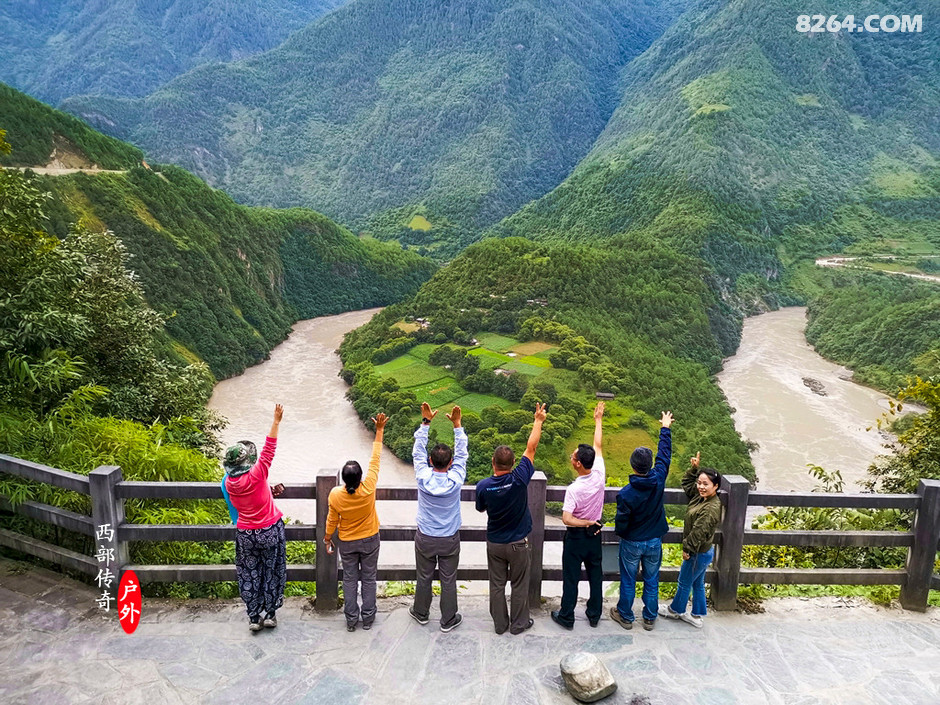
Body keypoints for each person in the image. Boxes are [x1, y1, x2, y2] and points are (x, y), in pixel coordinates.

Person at [476, 402, 547, 635]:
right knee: (519, 584)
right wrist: (538, 421)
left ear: (493, 464)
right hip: (518, 543)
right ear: (513, 463)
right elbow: (531, 448)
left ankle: (499, 624)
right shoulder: (519, 478)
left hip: (495, 542)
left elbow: (480, 509)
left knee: (496, 585)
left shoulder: (484, 486)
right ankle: (518, 624)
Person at [224, 403, 287, 632]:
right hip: (268, 530)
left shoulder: (230, 483)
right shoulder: (257, 475)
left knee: (249, 573)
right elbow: (269, 449)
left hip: (245, 534)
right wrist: (276, 421)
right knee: (271, 570)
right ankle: (270, 613)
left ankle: (253, 616)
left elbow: (251, 496)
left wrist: (269, 490)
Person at [610, 410, 673, 631]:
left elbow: (622, 521)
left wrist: (623, 533)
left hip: (632, 541)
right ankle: (649, 617)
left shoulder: (626, 493)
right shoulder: (658, 479)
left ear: (633, 465)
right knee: (651, 579)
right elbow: (664, 456)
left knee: (628, 579)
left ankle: (626, 616)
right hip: (654, 540)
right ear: (649, 465)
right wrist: (665, 428)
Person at [324, 412, 387, 632]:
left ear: (343, 478)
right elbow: (375, 460)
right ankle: (368, 618)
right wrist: (379, 430)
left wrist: (326, 539)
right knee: (369, 579)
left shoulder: (335, 494)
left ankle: (351, 620)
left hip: (348, 542)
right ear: (360, 477)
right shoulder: (369, 487)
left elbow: (332, 519)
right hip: (370, 539)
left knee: (349, 580)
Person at [409, 402, 468, 632]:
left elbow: (417, 452)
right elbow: (462, 454)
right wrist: (457, 425)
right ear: (450, 463)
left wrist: (425, 423)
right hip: (449, 538)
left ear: (431, 461)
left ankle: (421, 613)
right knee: (448, 578)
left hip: (425, 536)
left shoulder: (423, 476)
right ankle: (448, 619)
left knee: (423, 576)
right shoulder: (456, 479)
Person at [551, 401, 607, 630]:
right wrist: (598, 420)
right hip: (595, 535)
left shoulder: (574, 489)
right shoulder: (600, 473)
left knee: (571, 578)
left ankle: (567, 616)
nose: (571, 459)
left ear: (579, 464)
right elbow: (598, 445)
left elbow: (566, 518)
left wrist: (584, 522)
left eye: (573, 457)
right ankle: (594, 615)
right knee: (595, 575)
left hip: (576, 537)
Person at [659, 452, 722, 629]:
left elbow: (698, 532)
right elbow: (687, 484)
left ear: (715, 486)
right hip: (703, 552)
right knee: (697, 583)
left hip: (697, 552)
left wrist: (687, 549)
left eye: (706, 484)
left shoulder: (710, 507)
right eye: (700, 483)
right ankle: (697, 614)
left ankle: (675, 610)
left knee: (684, 581)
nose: (701, 487)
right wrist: (694, 469)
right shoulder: (702, 497)